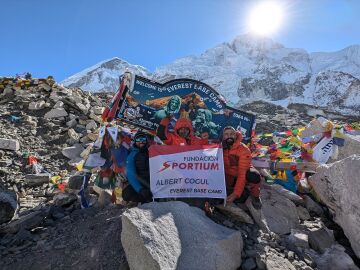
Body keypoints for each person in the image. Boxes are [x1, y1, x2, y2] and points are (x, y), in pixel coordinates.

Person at [222, 126, 262, 209]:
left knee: (254, 176)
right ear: (223, 136)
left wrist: (235, 194)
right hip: (228, 175)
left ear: (235, 135)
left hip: (241, 174)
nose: (229, 136)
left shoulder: (244, 149)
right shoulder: (220, 147)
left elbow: (242, 174)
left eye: (232, 134)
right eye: (226, 134)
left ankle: (255, 196)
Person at [123, 131, 152, 203]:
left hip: (154, 181)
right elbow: (131, 174)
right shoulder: (132, 155)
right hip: (142, 182)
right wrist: (140, 189)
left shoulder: (152, 150)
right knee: (126, 194)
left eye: (143, 140)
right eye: (138, 140)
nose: (141, 142)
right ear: (135, 141)